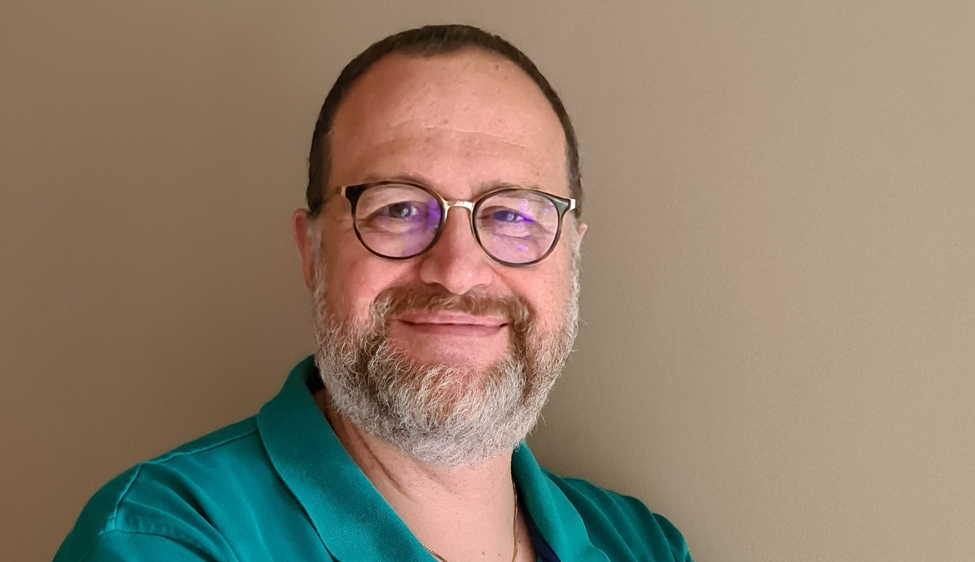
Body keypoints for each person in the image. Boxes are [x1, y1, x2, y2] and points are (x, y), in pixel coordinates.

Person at [55, 24, 693, 561]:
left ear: (572, 255)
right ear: (312, 252)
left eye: (513, 215)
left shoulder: (642, 545)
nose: (457, 271)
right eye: (398, 209)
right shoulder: (164, 537)